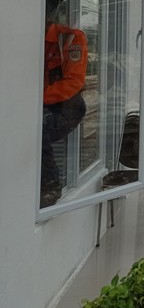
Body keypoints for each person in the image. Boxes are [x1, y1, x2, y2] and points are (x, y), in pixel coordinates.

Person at [41, 21, 88, 207]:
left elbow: (73, 81)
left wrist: (36, 100)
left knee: (39, 134)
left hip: (68, 105)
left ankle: (51, 187)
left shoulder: (70, 38)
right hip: (43, 102)